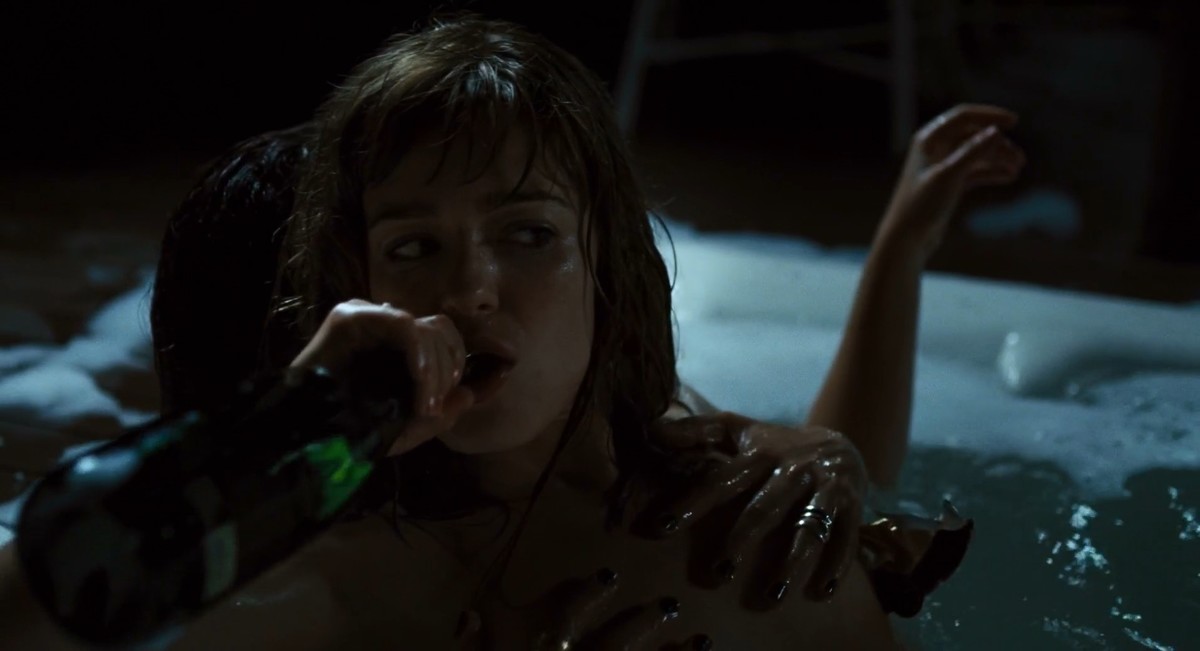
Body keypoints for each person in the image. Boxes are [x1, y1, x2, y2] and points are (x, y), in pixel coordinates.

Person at [1, 11, 1022, 650]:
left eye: (527, 233)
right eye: (411, 247)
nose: (471, 288)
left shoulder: (729, 496)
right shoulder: (324, 582)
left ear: (606, 267)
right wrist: (287, 430)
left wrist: (836, 423)